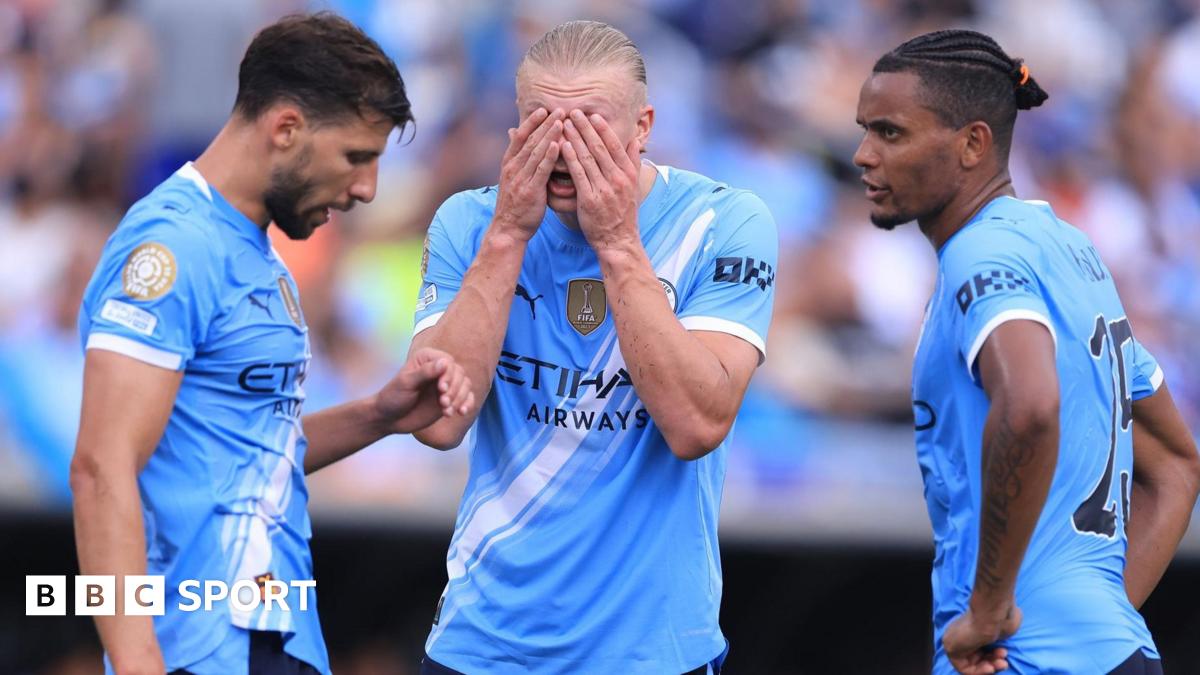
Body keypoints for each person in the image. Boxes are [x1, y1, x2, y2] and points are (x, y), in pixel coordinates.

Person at [70, 13, 473, 675]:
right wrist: (136, 657)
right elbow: (99, 465)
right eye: (357, 157)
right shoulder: (171, 248)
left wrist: (381, 414)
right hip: (197, 645)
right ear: (285, 129)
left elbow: (244, 455)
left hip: (276, 633)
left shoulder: (259, 254)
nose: (367, 188)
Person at [409, 19, 777, 674]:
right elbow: (439, 420)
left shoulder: (722, 223)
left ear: (643, 127)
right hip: (483, 645)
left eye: (590, 126)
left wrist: (615, 242)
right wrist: (505, 240)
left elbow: (697, 422)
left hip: (652, 652)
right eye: (544, 125)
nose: (564, 149)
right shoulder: (470, 222)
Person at [853, 29, 1200, 675]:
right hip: (1111, 652)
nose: (863, 154)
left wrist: (989, 610)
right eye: (865, 130)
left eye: (890, 133)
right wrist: (1102, 618)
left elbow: (1032, 404)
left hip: (1026, 659)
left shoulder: (980, 252)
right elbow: (1176, 463)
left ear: (973, 143)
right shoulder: (1067, 247)